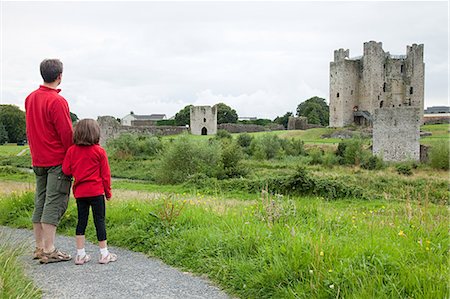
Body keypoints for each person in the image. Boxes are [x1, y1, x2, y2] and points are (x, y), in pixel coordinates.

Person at [25, 59, 73, 264]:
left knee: (41, 201)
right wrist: (74, 157)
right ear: (60, 75)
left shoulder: (30, 98)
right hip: (56, 160)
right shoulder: (57, 101)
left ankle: (39, 247)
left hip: (38, 158)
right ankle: (49, 249)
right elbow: (66, 134)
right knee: (54, 202)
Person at [62, 119, 117, 265]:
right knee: (99, 221)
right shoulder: (99, 151)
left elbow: (66, 170)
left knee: (81, 221)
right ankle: (104, 254)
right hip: (97, 192)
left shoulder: (71, 151)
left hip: (80, 193)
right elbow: (106, 175)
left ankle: (80, 255)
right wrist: (108, 193)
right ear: (95, 133)